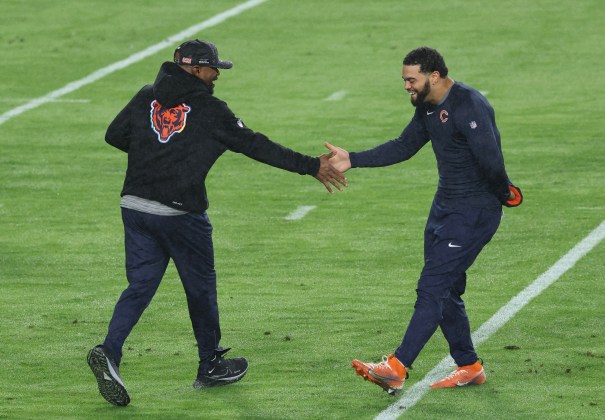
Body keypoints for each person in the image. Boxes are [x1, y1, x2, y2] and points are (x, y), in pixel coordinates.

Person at [87, 39, 347, 406]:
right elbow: (255, 144)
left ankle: (110, 352)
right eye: (213, 69)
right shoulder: (209, 109)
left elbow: (114, 135)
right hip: (180, 214)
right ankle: (209, 365)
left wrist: (158, 153)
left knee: (140, 285)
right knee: (200, 289)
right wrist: (310, 165)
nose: (217, 75)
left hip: (135, 205)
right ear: (194, 69)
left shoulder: (147, 95)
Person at [326, 46, 522, 395]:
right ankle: (469, 367)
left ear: (434, 76)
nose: (407, 86)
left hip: (473, 213)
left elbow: (491, 159)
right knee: (445, 291)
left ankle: (397, 366)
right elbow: (404, 146)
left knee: (431, 286)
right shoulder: (428, 108)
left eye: (411, 80)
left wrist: (505, 192)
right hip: (444, 210)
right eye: (405, 80)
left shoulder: (469, 105)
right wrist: (352, 159)